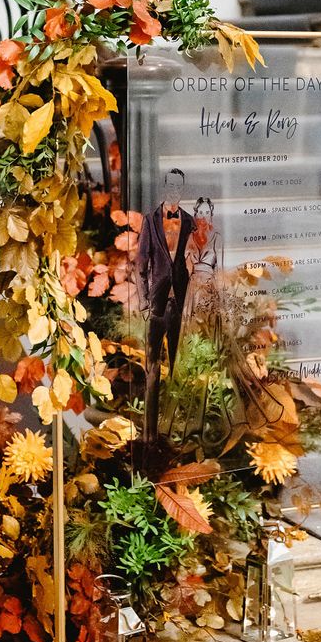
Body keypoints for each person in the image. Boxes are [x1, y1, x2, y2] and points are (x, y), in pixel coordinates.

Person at [159, 196, 284, 453]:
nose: (204, 215)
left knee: (218, 346)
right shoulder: (190, 238)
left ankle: (221, 414)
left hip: (211, 292)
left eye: (207, 211)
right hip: (194, 291)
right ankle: (186, 416)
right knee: (191, 344)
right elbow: (182, 264)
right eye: (200, 211)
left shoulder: (216, 238)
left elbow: (219, 265)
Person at [136, 168, 194, 444]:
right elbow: (140, 265)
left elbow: (193, 261)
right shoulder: (151, 221)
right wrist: (144, 300)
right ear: (164, 187)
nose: (174, 191)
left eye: (178, 187)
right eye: (170, 185)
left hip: (180, 303)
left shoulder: (191, 222)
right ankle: (149, 432)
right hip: (157, 305)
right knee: (152, 367)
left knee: (178, 365)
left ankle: (175, 433)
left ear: (182, 190)